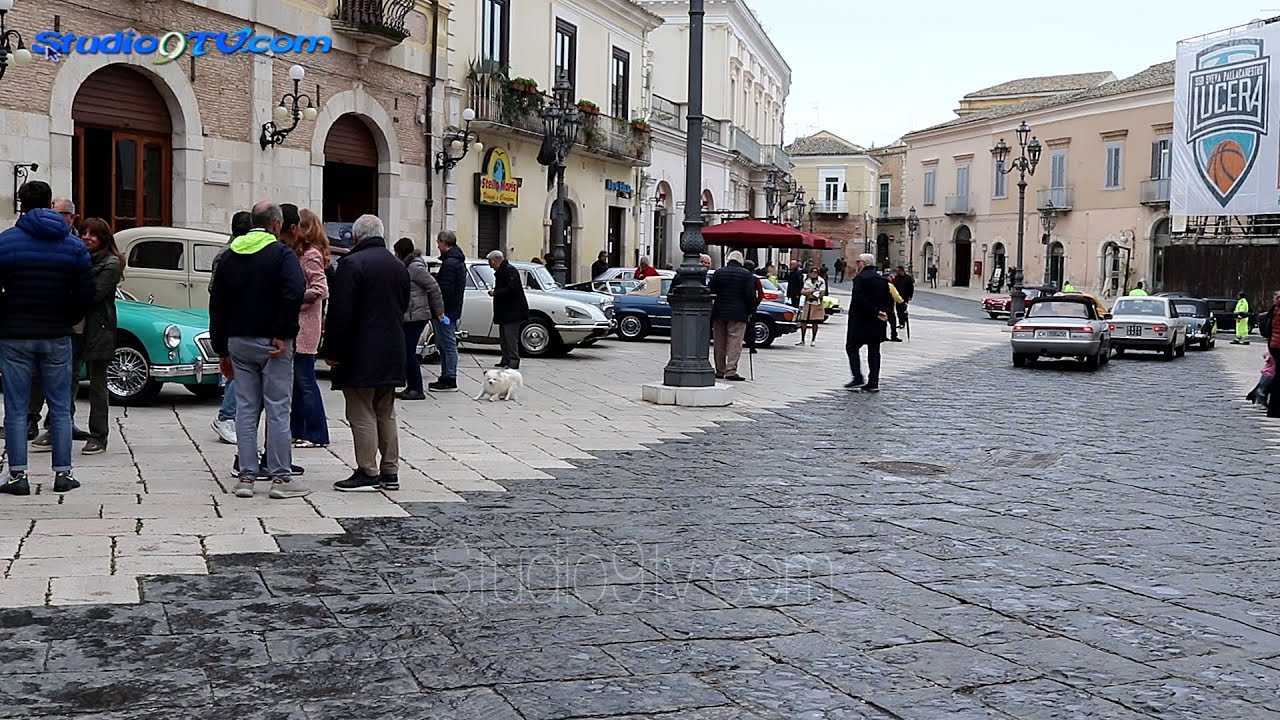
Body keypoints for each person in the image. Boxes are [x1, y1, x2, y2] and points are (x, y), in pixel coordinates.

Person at [0, 181, 95, 495]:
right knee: (60, 406)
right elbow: (86, 292)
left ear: (21, 204)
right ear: (50, 204)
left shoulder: (6, 242)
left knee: (16, 408)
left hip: (15, 334)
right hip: (56, 333)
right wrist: (68, 318)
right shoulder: (73, 245)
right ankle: (63, 474)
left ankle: (17, 476)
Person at [209, 200, 308, 500]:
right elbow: (294, 291)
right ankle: (280, 477)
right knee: (277, 408)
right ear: (277, 224)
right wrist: (282, 331)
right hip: (272, 342)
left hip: (238, 341)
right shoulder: (282, 254)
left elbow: (217, 303)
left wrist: (221, 348)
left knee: (246, 409)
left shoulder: (229, 255)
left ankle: (246, 476)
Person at [322, 215, 410, 492]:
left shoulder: (352, 264)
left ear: (356, 236)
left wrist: (332, 351)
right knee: (386, 411)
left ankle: (367, 470)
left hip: (360, 350)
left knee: (361, 412)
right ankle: (390, 471)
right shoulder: (398, 266)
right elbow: (404, 305)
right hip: (392, 348)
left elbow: (341, 312)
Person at [29, 197, 90, 447]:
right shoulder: (44, 238)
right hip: (45, 320)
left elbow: (84, 287)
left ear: (71, 217)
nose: (53, 218)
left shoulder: (78, 243)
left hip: (71, 322)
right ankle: (31, 418)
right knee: (37, 373)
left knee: (70, 374)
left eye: (58, 214)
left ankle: (60, 423)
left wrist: (73, 315)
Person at [77, 218, 123, 455]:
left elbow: (94, 294)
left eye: (92, 234)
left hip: (99, 328)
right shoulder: (77, 258)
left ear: (103, 238)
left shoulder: (111, 263)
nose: (87, 237)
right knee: (67, 380)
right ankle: (57, 428)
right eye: (84, 232)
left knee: (97, 384)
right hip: (75, 326)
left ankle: (98, 435)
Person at [287, 209, 330, 449]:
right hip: (299, 325)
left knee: (305, 381)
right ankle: (298, 430)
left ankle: (316, 433)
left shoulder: (311, 255)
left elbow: (320, 288)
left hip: (305, 325)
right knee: (297, 382)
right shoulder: (301, 253)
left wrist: (296, 301)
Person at [210, 211, 254, 445]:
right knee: (236, 371)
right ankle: (226, 416)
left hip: (232, 320)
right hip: (232, 321)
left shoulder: (227, 253)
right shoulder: (230, 254)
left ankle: (230, 415)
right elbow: (216, 291)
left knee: (237, 371)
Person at [394, 237, 444, 400]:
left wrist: (439, 312)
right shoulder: (408, 266)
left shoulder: (415, 267)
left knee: (409, 352)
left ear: (401, 252)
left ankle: (416, 388)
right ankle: (411, 386)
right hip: (410, 315)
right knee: (406, 351)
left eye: (396, 252)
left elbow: (433, 287)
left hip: (417, 315)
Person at [846, 253, 892, 393]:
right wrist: (884, 312)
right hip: (877, 322)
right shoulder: (882, 280)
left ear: (864, 263)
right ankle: (873, 382)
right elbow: (889, 299)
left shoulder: (860, 279)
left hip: (860, 320)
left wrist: (875, 312)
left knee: (852, 347)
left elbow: (859, 300)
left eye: (858, 261)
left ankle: (858, 377)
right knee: (874, 350)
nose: (857, 264)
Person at [708, 251, 756, 382]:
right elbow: (750, 296)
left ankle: (720, 369)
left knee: (719, 342)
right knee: (735, 342)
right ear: (741, 261)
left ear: (728, 260)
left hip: (719, 312)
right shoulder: (746, 275)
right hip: (738, 313)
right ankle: (731, 369)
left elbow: (710, 290)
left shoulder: (719, 273)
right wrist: (751, 310)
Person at [431, 230, 466, 392]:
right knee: (444, 344)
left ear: (444, 243)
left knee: (447, 344)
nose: (437, 246)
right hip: (451, 309)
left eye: (438, 242)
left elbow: (445, 290)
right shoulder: (456, 261)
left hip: (446, 311)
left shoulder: (450, 263)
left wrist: (440, 310)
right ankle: (446, 375)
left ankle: (449, 377)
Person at [488, 250, 529, 369]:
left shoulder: (509, 270)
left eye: (490, 262)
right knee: (504, 338)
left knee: (510, 338)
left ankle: (513, 360)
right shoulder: (503, 271)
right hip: (505, 311)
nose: (489, 265)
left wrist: (496, 292)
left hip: (512, 311)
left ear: (494, 261)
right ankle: (506, 359)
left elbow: (511, 289)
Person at [797, 266, 827, 346]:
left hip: (817, 304)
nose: (814, 273)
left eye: (815, 272)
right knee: (804, 321)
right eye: (812, 272)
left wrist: (811, 294)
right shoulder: (807, 280)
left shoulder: (821, 281)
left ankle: (813, 340)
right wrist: (811, 291)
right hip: (807, 303)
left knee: (815, 322)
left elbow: (821, 293)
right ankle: (802, 340)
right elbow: (803, 291)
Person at [892, 265, 915, 334]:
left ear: (901, 271)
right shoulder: (896, 278)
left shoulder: (908, 278)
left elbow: (911, 287)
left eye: (897, 271)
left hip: (905, 296)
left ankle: (903, 323)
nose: (896, 272)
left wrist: (910, 296)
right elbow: (894, 286)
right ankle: (900, 322)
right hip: (897, 297)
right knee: (898, 310)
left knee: (903, 310)